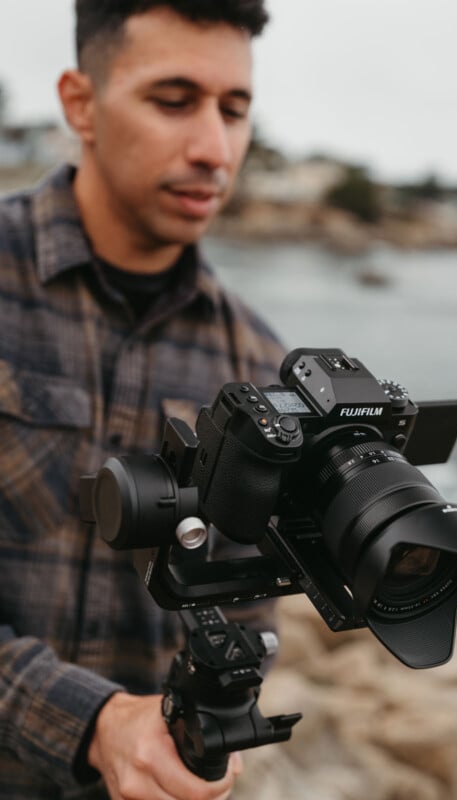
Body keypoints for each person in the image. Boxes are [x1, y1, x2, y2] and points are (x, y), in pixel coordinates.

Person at [0, 2, 286, 798]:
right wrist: (89, 724)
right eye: (173, 100)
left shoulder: (256, 361)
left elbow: (254, 611)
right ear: (80, 104)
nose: (214, 149)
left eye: (235, 110)